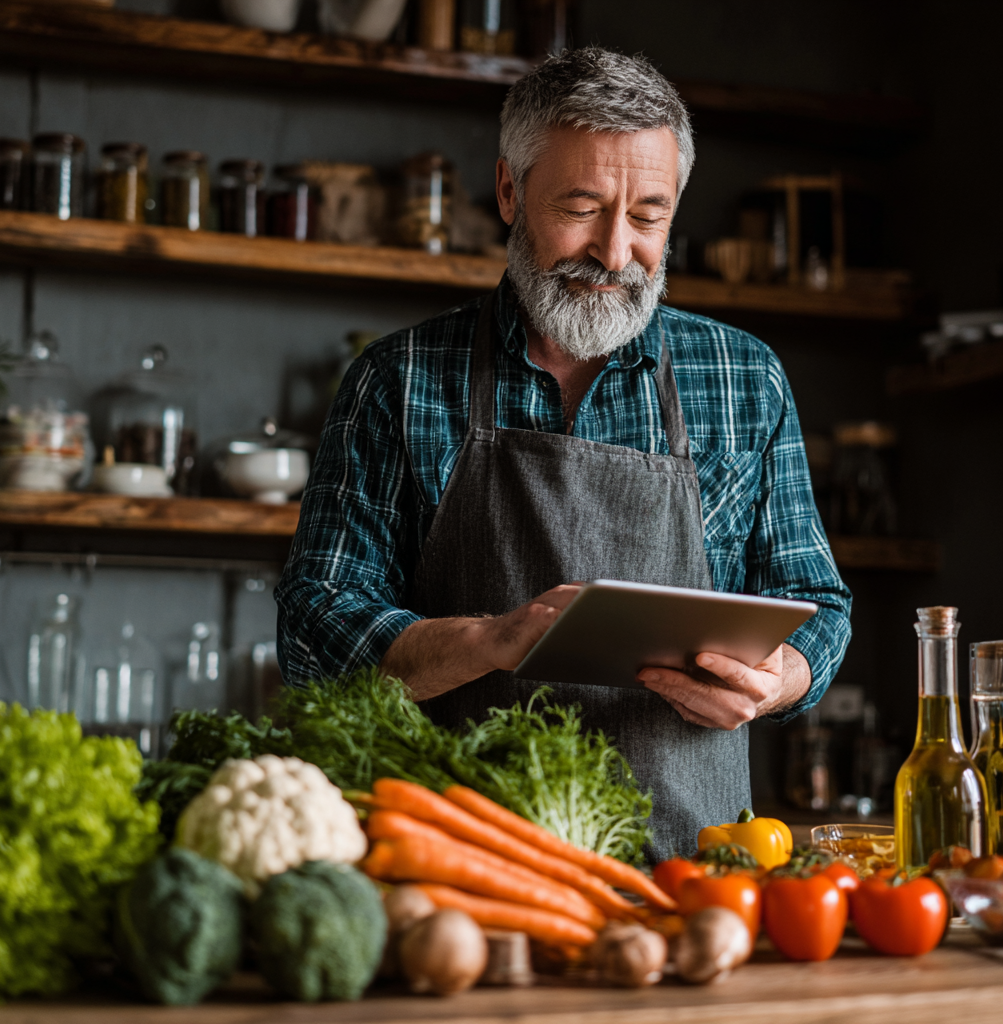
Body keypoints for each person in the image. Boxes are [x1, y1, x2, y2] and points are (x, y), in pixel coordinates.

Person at [275, 47, 852, 859]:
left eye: (648, 216)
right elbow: (315, 625)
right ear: (510, 191)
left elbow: (816, 603)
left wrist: (775, 680)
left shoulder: (743, 377)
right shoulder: (397, 380)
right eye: (582, 208)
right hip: (461, 869)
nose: (614, 253)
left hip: (694, 878)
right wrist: (487, 642)